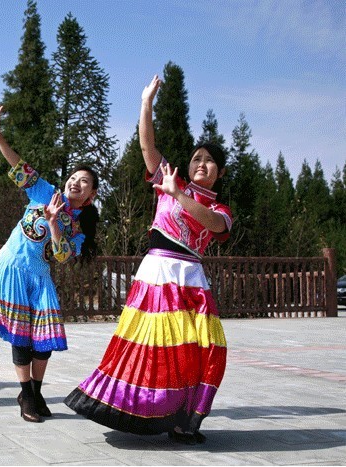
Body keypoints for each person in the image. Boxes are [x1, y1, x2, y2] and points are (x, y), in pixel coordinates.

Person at [64, 75, 232, 444]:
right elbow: (147, 147)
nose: (201, 163)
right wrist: (146, 103)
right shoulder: (171, 179)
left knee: (202, 349)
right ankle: (142, 410)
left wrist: (180, 194)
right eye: (196, 158)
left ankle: (182, 418)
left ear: (219, 171)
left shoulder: (218, 207)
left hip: (192, 280)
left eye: (209, 160)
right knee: (155, 346)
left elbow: (212, 223)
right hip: (158, 273)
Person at [0, 104, 100, 423]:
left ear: (90, 195)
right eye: (74, 177)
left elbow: (62, 255)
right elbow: (19, 166)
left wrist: (54, 223)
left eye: (84, 182)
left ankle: (33, 390)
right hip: (12, 267)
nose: (76, 182)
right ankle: (28, 395)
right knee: (21, 335)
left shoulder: (78, 229)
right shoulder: (45, 190)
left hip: (40, 276)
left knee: (44, 339)